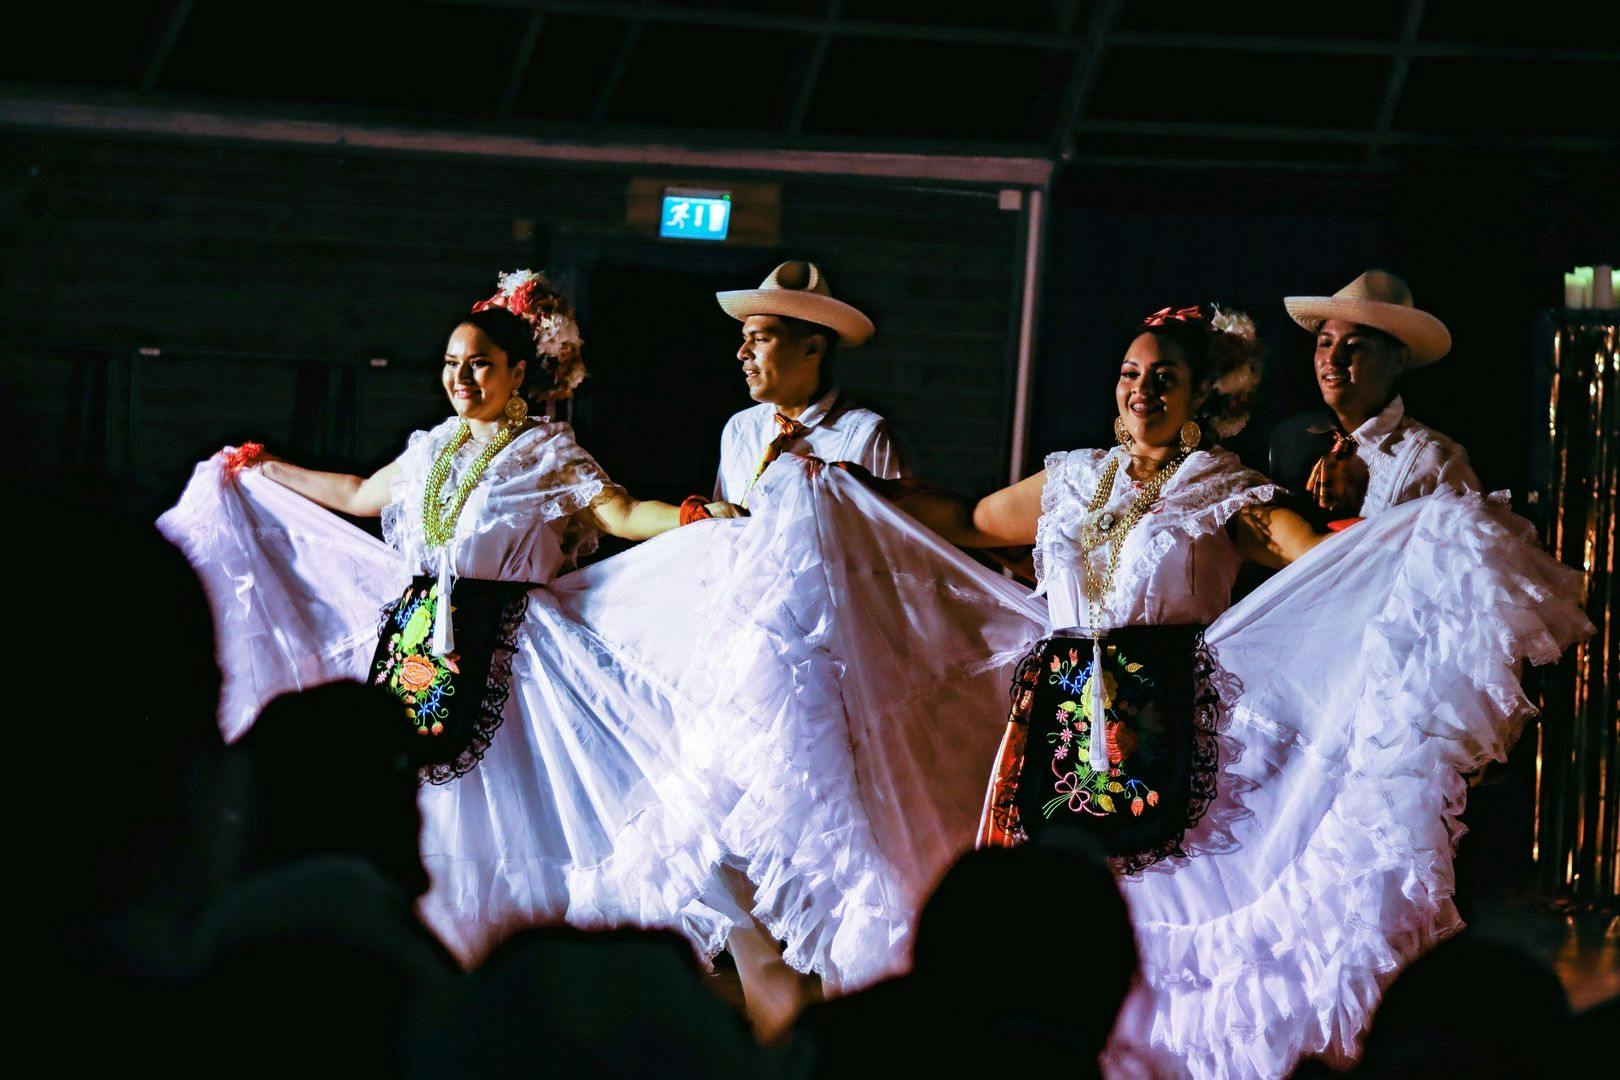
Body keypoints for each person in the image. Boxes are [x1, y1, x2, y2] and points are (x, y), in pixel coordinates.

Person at [722, 302, 1587, 1076]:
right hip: (1052, 736)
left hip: (1167, 732)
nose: (1143, 390)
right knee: (1037, 922)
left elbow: (1319, 562)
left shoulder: (1224, 490)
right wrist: (846, 488)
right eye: (1131, 374)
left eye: (1164, 377)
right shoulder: (1069, 478)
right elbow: (970, 522)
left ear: (1199, 395)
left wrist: (1419, 548)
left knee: (1164, 921)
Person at [161, 270, 742, 965]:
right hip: (418, 643)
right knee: (424, 804)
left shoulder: (546, 453)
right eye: (450, 365)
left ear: (517, 372)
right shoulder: (432, 447)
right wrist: (262, 470)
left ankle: (510, 973)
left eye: (478, 366)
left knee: (507, 819)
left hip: (512, 651)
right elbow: (357, 493)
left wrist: (686, 514)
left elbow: (615, 512)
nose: (461, 379)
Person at [1270, 269, 1478, 525]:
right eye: (1325, 343)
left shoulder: (1437, 462)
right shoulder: (1288, 438)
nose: (1333, 359)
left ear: (1398, 359)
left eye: (1354, 345)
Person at [713, 260, 907, 506]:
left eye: (760, 339)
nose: (743, 353)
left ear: (812, 348)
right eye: (744, 339)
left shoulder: (866, 436)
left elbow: (892, 536)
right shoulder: (741, 428)